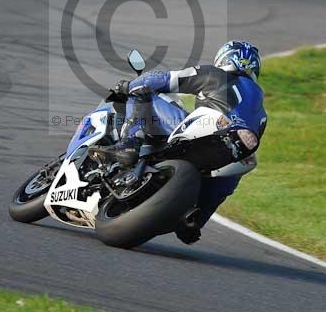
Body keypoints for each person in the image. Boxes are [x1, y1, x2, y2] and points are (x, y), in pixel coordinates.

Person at [89, 40, 267, 244]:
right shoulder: (261, 111)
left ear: (225, 59)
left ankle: (129, 143)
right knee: (237, 169)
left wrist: (127, 86)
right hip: (237, 146)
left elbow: (164, 79)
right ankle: (196, 219)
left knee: (143, 91)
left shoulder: (216, 75)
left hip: (215, 128)